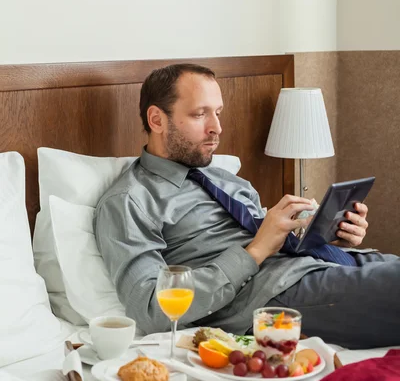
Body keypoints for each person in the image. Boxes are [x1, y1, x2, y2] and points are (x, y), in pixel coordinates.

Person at [94, 64, 400, 348]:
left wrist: (327, 235)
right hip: (271, 298)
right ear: (157, 120)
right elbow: (151, 308)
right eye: (200, 114)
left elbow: (271, 238)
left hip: (318, 266)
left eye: (218, 113)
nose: (217, 128)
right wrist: (255, 252)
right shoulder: (129, 200)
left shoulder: (225, 179)